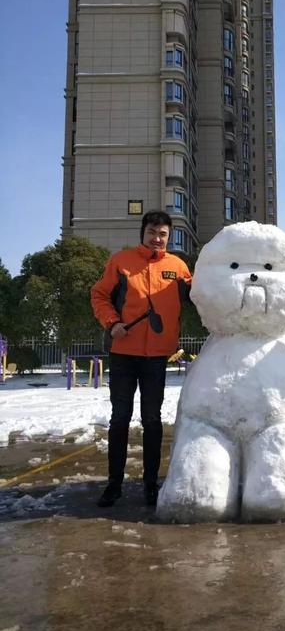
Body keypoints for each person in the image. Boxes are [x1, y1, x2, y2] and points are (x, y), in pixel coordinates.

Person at [91, 210, 192, 507]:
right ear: (143, 233)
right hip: (123, 353)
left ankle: (150, 483)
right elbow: (99, 295)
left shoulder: (178, 267)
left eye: (163, 234)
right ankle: (114, 484)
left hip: (156, 356)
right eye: (152, 232)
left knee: (152, 419)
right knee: (120, 418)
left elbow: (200, 294)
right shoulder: (121, 261)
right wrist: (112, 323)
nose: (157, 238)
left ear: (168, 237)